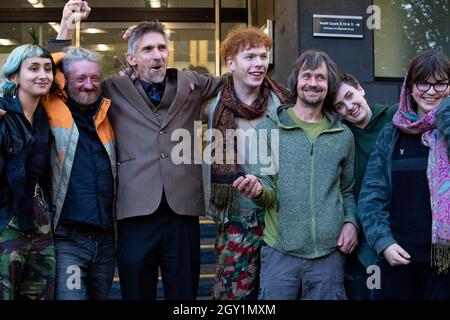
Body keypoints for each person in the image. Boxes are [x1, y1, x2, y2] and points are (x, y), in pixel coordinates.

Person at [56, 1, 224, 300]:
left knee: (184, 296)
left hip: (182, 212)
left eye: (161, 47)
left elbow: (237, 84)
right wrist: (66, 26)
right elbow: (58, 80)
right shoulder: (109, 87)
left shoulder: (191, 83)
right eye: (147, 49)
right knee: (136, 294)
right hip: (133, 213)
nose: (157, 54)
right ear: (131, 58)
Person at [234, 50, 358, 300]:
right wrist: (257, 191)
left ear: (329, 84)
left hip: (328, 257)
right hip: (280, 254)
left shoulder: (343, 135)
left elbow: (347, 190)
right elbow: (266, 188)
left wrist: (351, 222)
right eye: (307, 76)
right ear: (296, 81)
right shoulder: (268, 129)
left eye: (320, 78)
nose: (313, 83)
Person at [202, 27, 290, 300]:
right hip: (235, 219)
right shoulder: (211, 103)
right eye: (250, 57)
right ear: (230, 62)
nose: (259, 63)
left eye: (263, 56)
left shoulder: (284, 101)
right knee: (231, 297)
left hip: (280, 217)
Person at [358, 49, 450, 300]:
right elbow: (371, 196)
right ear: (410, 87)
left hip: (446, 266)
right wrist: (383, 242)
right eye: (423, 82)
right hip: (400, 261)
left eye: (441, 83)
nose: (431, 91)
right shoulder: (391, 134)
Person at [42, 45, 116, 300]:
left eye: (95, 78)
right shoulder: (51, 106)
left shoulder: (107, 115)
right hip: (68, 239)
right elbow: (39, 65)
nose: (89, 85)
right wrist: (63, 53)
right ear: (65, 80)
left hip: (106, 238)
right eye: (80, 78)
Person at [331, 72, 397, 299]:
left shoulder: (395, 117)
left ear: (360, 88)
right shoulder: (340, 136)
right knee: (371, 290)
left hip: (401, 225)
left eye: (350, 96)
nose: (349, 107)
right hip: (365, 235)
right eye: (340, 105)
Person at [0, 44, 57, 300]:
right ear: (14, 76)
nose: (42, 75)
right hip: (6, 220)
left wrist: (67, 25)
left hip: (39, 222)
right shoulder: (3, 113)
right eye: (33, 68)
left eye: (47, 69)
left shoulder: (45, 115)